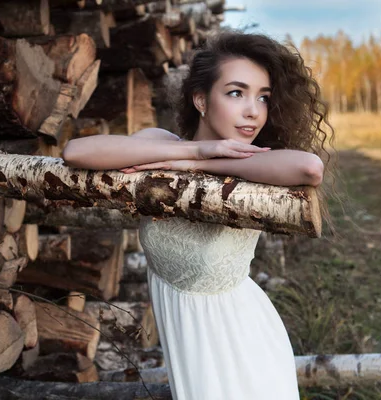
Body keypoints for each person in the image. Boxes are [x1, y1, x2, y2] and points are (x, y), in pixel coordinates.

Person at [62, 30, 335, 400]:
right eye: (237, 93)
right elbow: (77, 152)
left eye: (263, 98)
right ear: (201, 99)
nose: (253, 111)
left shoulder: (256, 160)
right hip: (191, 349)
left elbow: (310, 168)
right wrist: (197, 151)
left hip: (244, 347)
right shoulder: (161, 143)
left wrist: (198, 160)